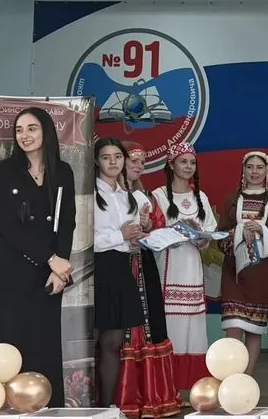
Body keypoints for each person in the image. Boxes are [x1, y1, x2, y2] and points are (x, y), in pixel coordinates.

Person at [0, 107, 76, 407]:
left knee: (45, 349)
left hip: (48, 280)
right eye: (19, 130)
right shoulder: (4, 171)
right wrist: (51, 258)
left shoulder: (63, 171)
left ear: (46, 131)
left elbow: (67, 223)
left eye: (32, 128)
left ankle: (49, 408)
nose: (24, 135)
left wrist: (60, 268)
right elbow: (8, 227)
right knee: (9, 350)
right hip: (11, 275)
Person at [115, 142, 182, 419]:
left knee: (151, 323)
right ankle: (126, 396)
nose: (138, 166)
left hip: (144, 262)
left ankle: (154, 394)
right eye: (133, 160)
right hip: (121, 263)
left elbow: (158, 225)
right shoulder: (112, 194)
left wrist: (149, 227)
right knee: (125, 326)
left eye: (142, 162)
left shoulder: (145, 195)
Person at [150, 143, 217, 390]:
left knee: (194, 328)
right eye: (183, 162)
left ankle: (194, 386)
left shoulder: (201, 197)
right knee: (171, 326)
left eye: (192, 162)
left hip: (192, 268)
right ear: (171, 164)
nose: (188, 167)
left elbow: (209, 232)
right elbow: (152, 233)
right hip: (169, 268)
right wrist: (178, 231)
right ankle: (167, 388)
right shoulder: (158, 195)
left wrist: (200, 235)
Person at [217, 151, 268, 377]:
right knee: (233, 327)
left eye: (259, 167)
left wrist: (262, 230)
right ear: (243, 171)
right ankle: (230, 377)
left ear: (267, 171)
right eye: (250, 167)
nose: (254, 172)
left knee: (254, 329)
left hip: (260, 273)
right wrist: (239, 231)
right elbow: (220, 236)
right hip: (234, 272)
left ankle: (245, 379)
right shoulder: (231, 200)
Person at [93, 138, 152, 407]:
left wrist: (139, 234)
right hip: (96, 269)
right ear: (97, 161)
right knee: (92, 339)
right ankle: (83, 401)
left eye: (118, 156)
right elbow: (85, 240)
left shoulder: (128, 196)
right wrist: (121, 235)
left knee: (114, 341)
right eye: (106, 157)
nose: (113, 162)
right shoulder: (90, 193)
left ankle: (106, 406)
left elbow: (129, 242)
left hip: (120, 267)